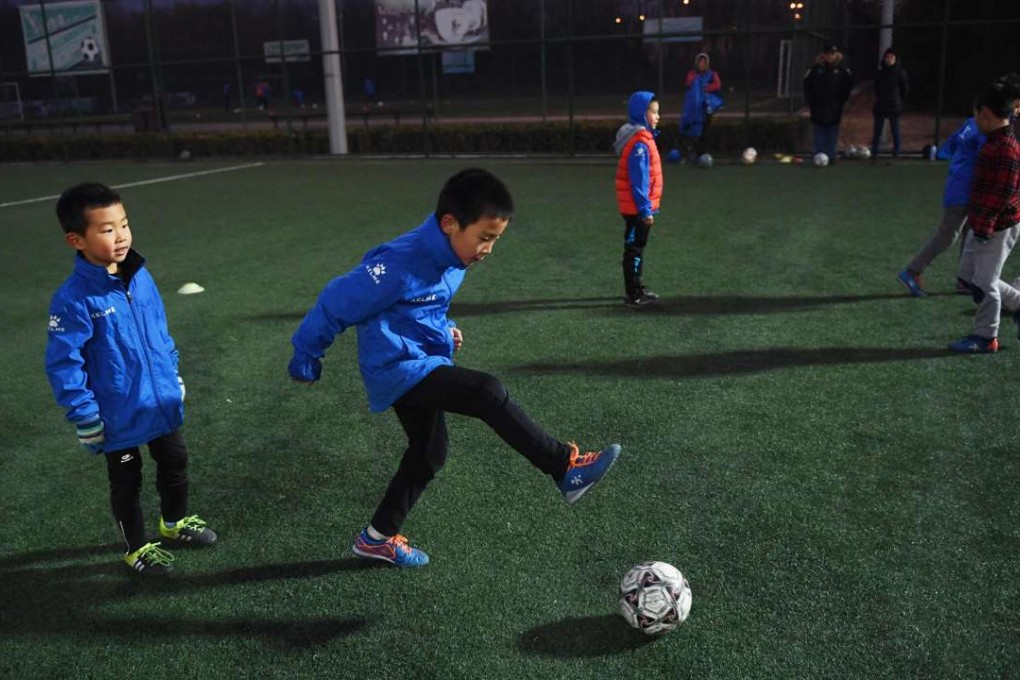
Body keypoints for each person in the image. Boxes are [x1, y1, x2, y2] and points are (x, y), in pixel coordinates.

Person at [287, 168, 621, 568]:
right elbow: (337, 300)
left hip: (422, 359)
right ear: (450, 224)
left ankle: (376, 538)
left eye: (495, 239)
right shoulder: (398, 262)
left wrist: (445, 332)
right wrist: (307, 352)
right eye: (484, 237)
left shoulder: (453, 259)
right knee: (485, 391)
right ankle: (563, 467)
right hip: (396, 366)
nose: (489, 249)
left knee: (429, 453)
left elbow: (422, 307)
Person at [45, 183, 217, 576]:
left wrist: (171, 372)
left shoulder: (141, 277)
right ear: (76, 239)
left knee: (175, 461)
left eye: (124, 224)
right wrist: (85, 416)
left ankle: (173, 525)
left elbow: (159, 331)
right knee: (127, 478)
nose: (121, 235)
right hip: (115, 415)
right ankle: (136, 548)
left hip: (157, 401)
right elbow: (63, 365)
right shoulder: (73, 300)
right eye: (107, 229)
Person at [950, 79, 1020, 353]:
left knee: (985, 283)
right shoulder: (993, 142)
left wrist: (984, 226)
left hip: (997, 227)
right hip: (981, 222)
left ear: (985, 114)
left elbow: (1002, 193)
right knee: (968, 278)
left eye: (976, 115)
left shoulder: (1006, 148)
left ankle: (985, 337)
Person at [896, 116, 984, 297]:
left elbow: (949, 146)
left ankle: (964, 279)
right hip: (966, 189)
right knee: (948, 235)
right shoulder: (987, 128)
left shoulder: (972, 122)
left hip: (959, 184)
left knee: (969, 232)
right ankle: (912, 271)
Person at [614, 91, 663, 308]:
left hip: (639, 208)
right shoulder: (639, 144)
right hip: (636, 210)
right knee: (634, 248)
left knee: (638, 247)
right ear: (641, 114)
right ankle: (633, 294)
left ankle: (636, 286)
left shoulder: (644, 139)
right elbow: (639, 181)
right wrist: (645, 210)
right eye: (653, 112)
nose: (657, 116)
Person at [803, 43, 853, 163]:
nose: (830, 56)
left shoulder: (843, 70)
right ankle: (818, 154)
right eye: (827, 54)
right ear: (823, 55)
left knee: (832, 131)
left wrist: (841, 101)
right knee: (819, 130)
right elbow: (807, 86)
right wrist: (811, 102)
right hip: (818, 105)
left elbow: (847, 87)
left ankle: (831, 155)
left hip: (835, 106)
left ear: (836, 55)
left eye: (832, 54)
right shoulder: (814, 70)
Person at [679, 53, 723, 162]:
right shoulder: (692, 74)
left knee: (705, 130)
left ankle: (703, 153)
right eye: (700, 62)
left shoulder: (712, 74)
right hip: (693, 109)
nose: (702, 64)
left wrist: (706, 88)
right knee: (691, 130)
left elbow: (717, 85)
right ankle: (690, 153)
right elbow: (688, 84)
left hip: (706, 108)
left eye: (704, 62)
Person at [870, 47, 909, 161]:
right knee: (877, 130)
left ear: (896, 59)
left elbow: (905, 89)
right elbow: (876, 88)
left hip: (894, 105)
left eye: (892, 57)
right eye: (888, 57)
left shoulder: (900, 73)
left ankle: (896, 152)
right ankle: (874, 152)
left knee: (895, 130)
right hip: (881, 105)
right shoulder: (880, 73)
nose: (889, 59)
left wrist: (899, 100)